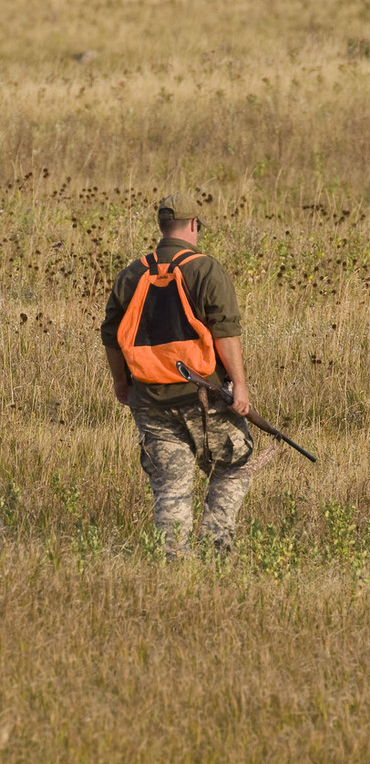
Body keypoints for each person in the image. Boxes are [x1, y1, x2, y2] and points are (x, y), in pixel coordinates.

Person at [101, 192, 253, 558]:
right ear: (193, 225)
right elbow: (224, 332)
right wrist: (241, 386)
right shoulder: (204, 268)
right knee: (234, 465)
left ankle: (174, 562)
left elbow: (110, 335)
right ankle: (217, 547)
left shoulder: (132, 272)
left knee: (171, 486)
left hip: (148, 399)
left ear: (161, 227)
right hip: (203, 397)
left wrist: (121, 383)